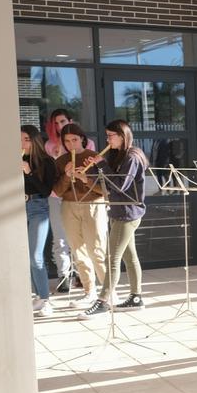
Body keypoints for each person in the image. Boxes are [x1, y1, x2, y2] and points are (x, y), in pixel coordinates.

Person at [78, 120, 150, 319]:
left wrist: (100, 164)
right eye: (107, 135)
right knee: (129, 256)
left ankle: (102, 301)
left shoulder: (132, 157)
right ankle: (136, 298)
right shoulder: (118, 156)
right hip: (118, 211)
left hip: (127, 214)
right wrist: (90, 169)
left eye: (111, 135)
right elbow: (106, 182)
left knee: (112, 258)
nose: (108, 139)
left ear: (122, 135)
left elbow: (119, 185)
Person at [52, 123, 106, 309]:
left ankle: (108, 292)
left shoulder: (95, 157)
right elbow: (57, 191)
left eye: (74, 139)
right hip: (69, 206)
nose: (71, 144)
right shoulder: (61, 161)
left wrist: (85, 178)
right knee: (78, 251)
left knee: (96, 249)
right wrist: (67, 176)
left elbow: (105, 190)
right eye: (67, 141)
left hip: (93, 205)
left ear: (82, 139)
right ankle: (89, 292)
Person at [43, 109, 92, 293]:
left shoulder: (87, 144)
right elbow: (51, 176)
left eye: (62, 121)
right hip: (57, 197)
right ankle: (64, 276)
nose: (59, 126)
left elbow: (90, 172)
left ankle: (83, 275)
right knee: (60, 238)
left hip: (79, 197)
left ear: (70, 121)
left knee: (80, 238)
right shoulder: (50, 145)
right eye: (55, 123)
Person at [22, 125, 59, 317]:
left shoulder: (46, 162)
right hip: (17, 210)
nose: (22, 143)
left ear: (35, 140)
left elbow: (45, 191)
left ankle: (45, 299)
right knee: (26, 257)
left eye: (26, 139)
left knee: (36, 256)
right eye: (20, 139)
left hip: (38, 208)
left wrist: (28, 172)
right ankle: (38, 296)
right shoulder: (17, 158)